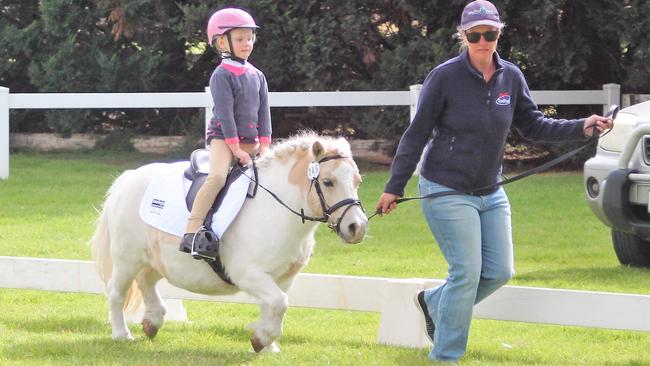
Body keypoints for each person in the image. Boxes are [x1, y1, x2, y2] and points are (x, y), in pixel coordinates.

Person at [375, 0, 613, 363]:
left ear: (499, 33)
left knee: (500, 271)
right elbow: (416, 134)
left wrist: (582, 125)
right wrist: (394, 185)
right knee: (467, 273)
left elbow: (533, 124)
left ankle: (434, 301)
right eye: (475, 34)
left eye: (490, 33)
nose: (483, 40)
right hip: (445, 188)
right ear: (464, 35)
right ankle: (445, 356)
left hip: (491, 189)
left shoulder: (510, 77)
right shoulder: (445, 77)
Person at [180, 7, 271, 257]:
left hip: (252, 142)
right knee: (217, 178)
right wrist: (236, 149)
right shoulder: (221, 75)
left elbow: (264, 112)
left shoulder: (258, 75)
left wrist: (265, 144)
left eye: (250, 37)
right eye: (240, 38)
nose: (247, 43)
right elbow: (226, 115)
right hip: (224, 140)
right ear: (222, 42)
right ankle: (192, 230)